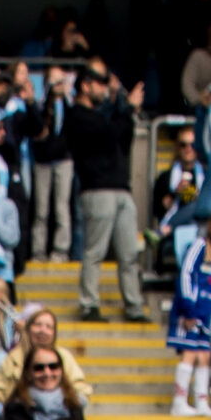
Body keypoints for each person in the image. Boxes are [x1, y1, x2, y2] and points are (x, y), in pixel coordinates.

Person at [70, 62, 147, 323]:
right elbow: (110, 134)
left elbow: (121, 136)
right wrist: (128, 108)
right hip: (97, 189)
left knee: (129, 254)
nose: (104, 88)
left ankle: (134, 307)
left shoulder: (101, 115)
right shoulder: (77, 115)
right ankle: (89, 304)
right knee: (95, 251)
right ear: (85, 84)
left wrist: (123, 106)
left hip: (121, 188)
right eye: (100, 82)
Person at [169, 210, 211, 418]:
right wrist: (188, 307)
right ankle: (179, 401)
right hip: (189, 312)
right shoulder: (199, 246)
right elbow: (186, 274)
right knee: (189, 353)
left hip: (206, 314)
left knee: (205, 356)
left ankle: (201, 401)